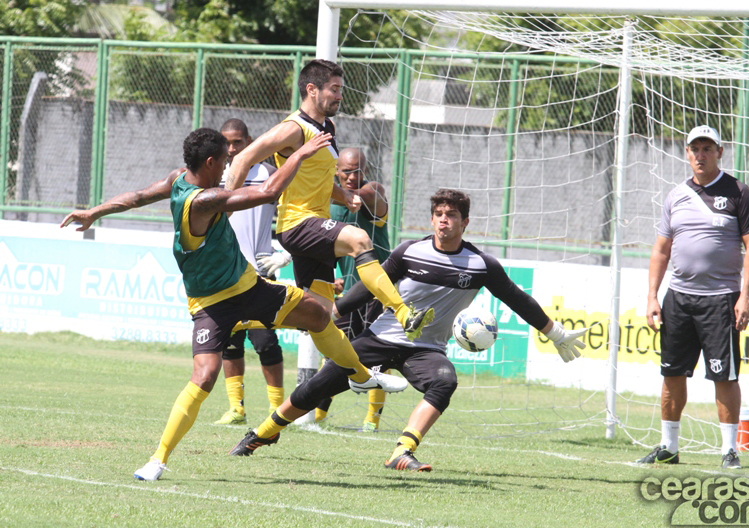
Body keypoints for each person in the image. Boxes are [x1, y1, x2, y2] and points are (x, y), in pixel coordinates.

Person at [60, 128, 408, 481]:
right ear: (211, 163)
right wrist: (300, 155)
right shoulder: (204, 199)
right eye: (226, 162)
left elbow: (137, 197)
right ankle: (157, 459)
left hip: (249, 287)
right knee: (204, 376)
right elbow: (268, 192)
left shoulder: (178, 178)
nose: (229, 168)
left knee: (318, 315)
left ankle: (360, 376)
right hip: (211, 305)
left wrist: (94, 212)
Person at [229, 188, 588, 471]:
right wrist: (332, 313)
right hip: (380, 338)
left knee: (445, 381)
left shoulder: (481, 265)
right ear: (431, 219)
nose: (444, 220)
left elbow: (516, 299)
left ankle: (402, 451)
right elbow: (370, 285)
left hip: (426, 350)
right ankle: (263, 433)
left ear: (465, 222)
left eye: (452, 215)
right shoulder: (410, 252)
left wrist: (555, 333)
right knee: (318, 386)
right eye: (439, 214)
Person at [224, 59, 433, 342]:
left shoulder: (327, 127)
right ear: (312, 90)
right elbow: (242, 159)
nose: (340, 95)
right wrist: (225, 209)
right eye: (334, 89)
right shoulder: (293, 129)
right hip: (297, 223)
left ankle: (245, 319)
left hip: (314, 224)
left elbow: (318, 178)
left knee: (322, 317)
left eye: (340, 89)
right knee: (360, 239)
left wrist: (343, 195)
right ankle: (404, 313)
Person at [638, 125, 749, 469]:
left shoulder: (738, 192)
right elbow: (661, 249)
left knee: (725, 376)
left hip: (721, 300)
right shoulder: (676, 195)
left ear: (719, 152)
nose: (701, 155)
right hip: (678, 299)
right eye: (695, 149)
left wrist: (746, 297)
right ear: (687, 152)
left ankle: (729, 450)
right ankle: (669, 446)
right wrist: (652, 296)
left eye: (707, 148)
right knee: (672, 373)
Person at [213, 118, 292, 425]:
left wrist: (285, 253)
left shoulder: (268, 174)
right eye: (227, 142)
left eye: (238, 142)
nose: (232, 148)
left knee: (265, 343)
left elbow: (293, 212)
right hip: (225, 273)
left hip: (260, 271)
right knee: (230, 343)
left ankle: (278, 409)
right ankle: (237, 408)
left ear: (249, 141)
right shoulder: (216, 177)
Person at [315, 147, 391, 431]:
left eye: (357, 171)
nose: (351, 176)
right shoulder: (331, 206)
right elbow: (327, 248)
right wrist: (333, 278)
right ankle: (317, 416)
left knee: (379, 356)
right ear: (337, 170)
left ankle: (372, 420)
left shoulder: (371, 195)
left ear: (365, 171)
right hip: (349, 295)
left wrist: (342, 192)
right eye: (346, 171)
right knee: (333, 352)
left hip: (378, 292)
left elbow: (374, 192)